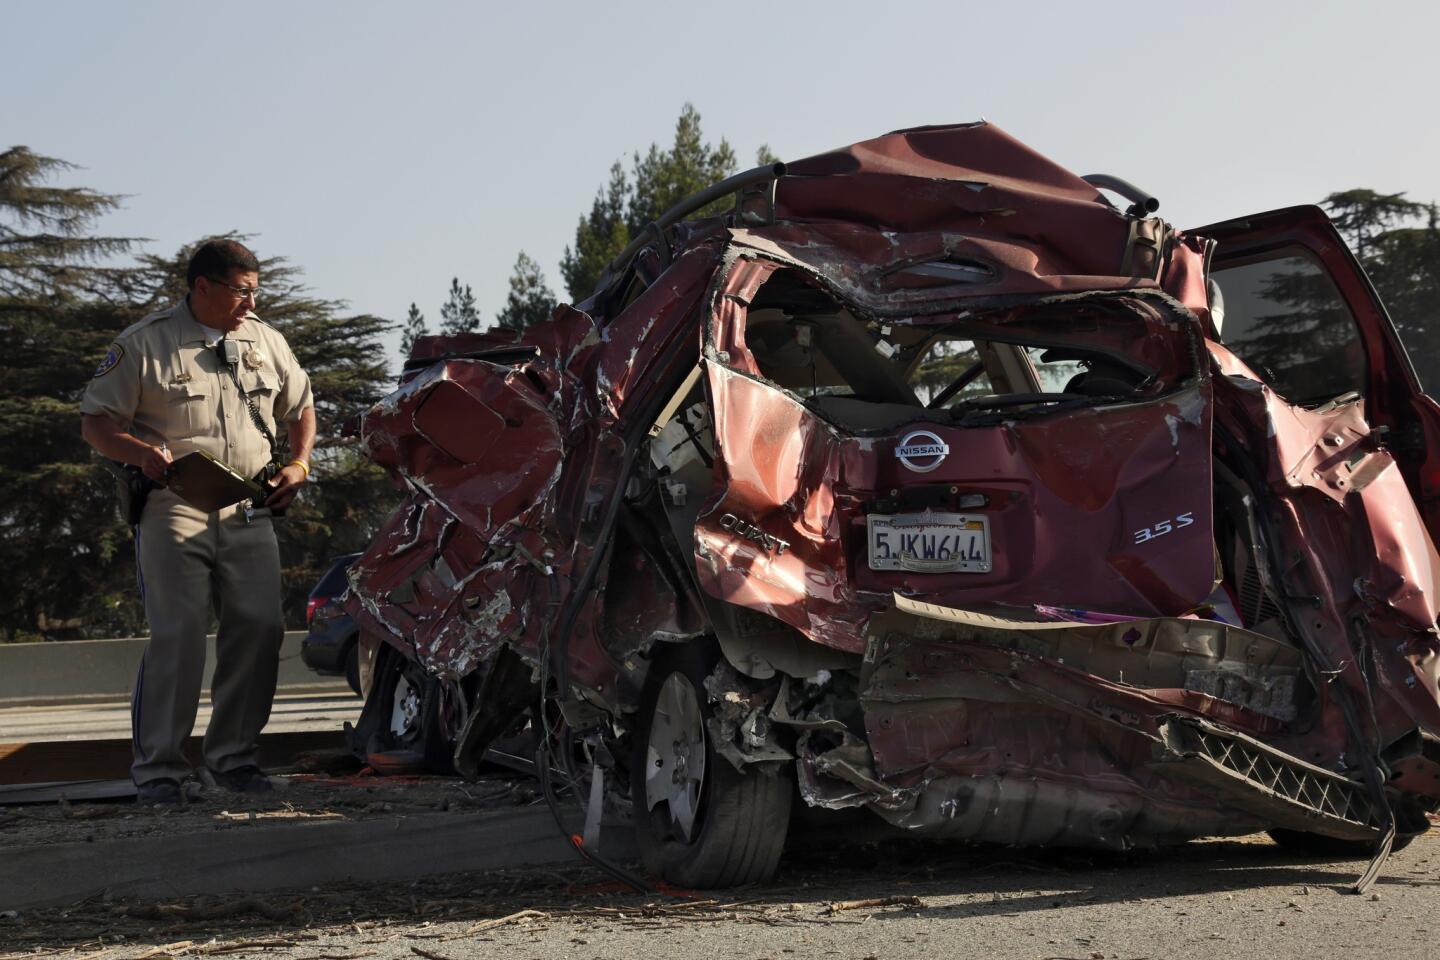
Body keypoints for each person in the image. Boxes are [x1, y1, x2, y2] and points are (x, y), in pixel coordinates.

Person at [80, 239, 316, 804]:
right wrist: (141, 455)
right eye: (240, 289)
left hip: (250, 506)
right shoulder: (146, 343)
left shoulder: (265, 340)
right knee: (180, 634)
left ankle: (232, 760)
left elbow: (302, 406)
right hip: (174, 505)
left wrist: (300, 464)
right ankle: (159, 768)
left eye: (255, 290)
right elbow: (96, 422)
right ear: (202, 286)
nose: (249, 301)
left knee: (260, 629)